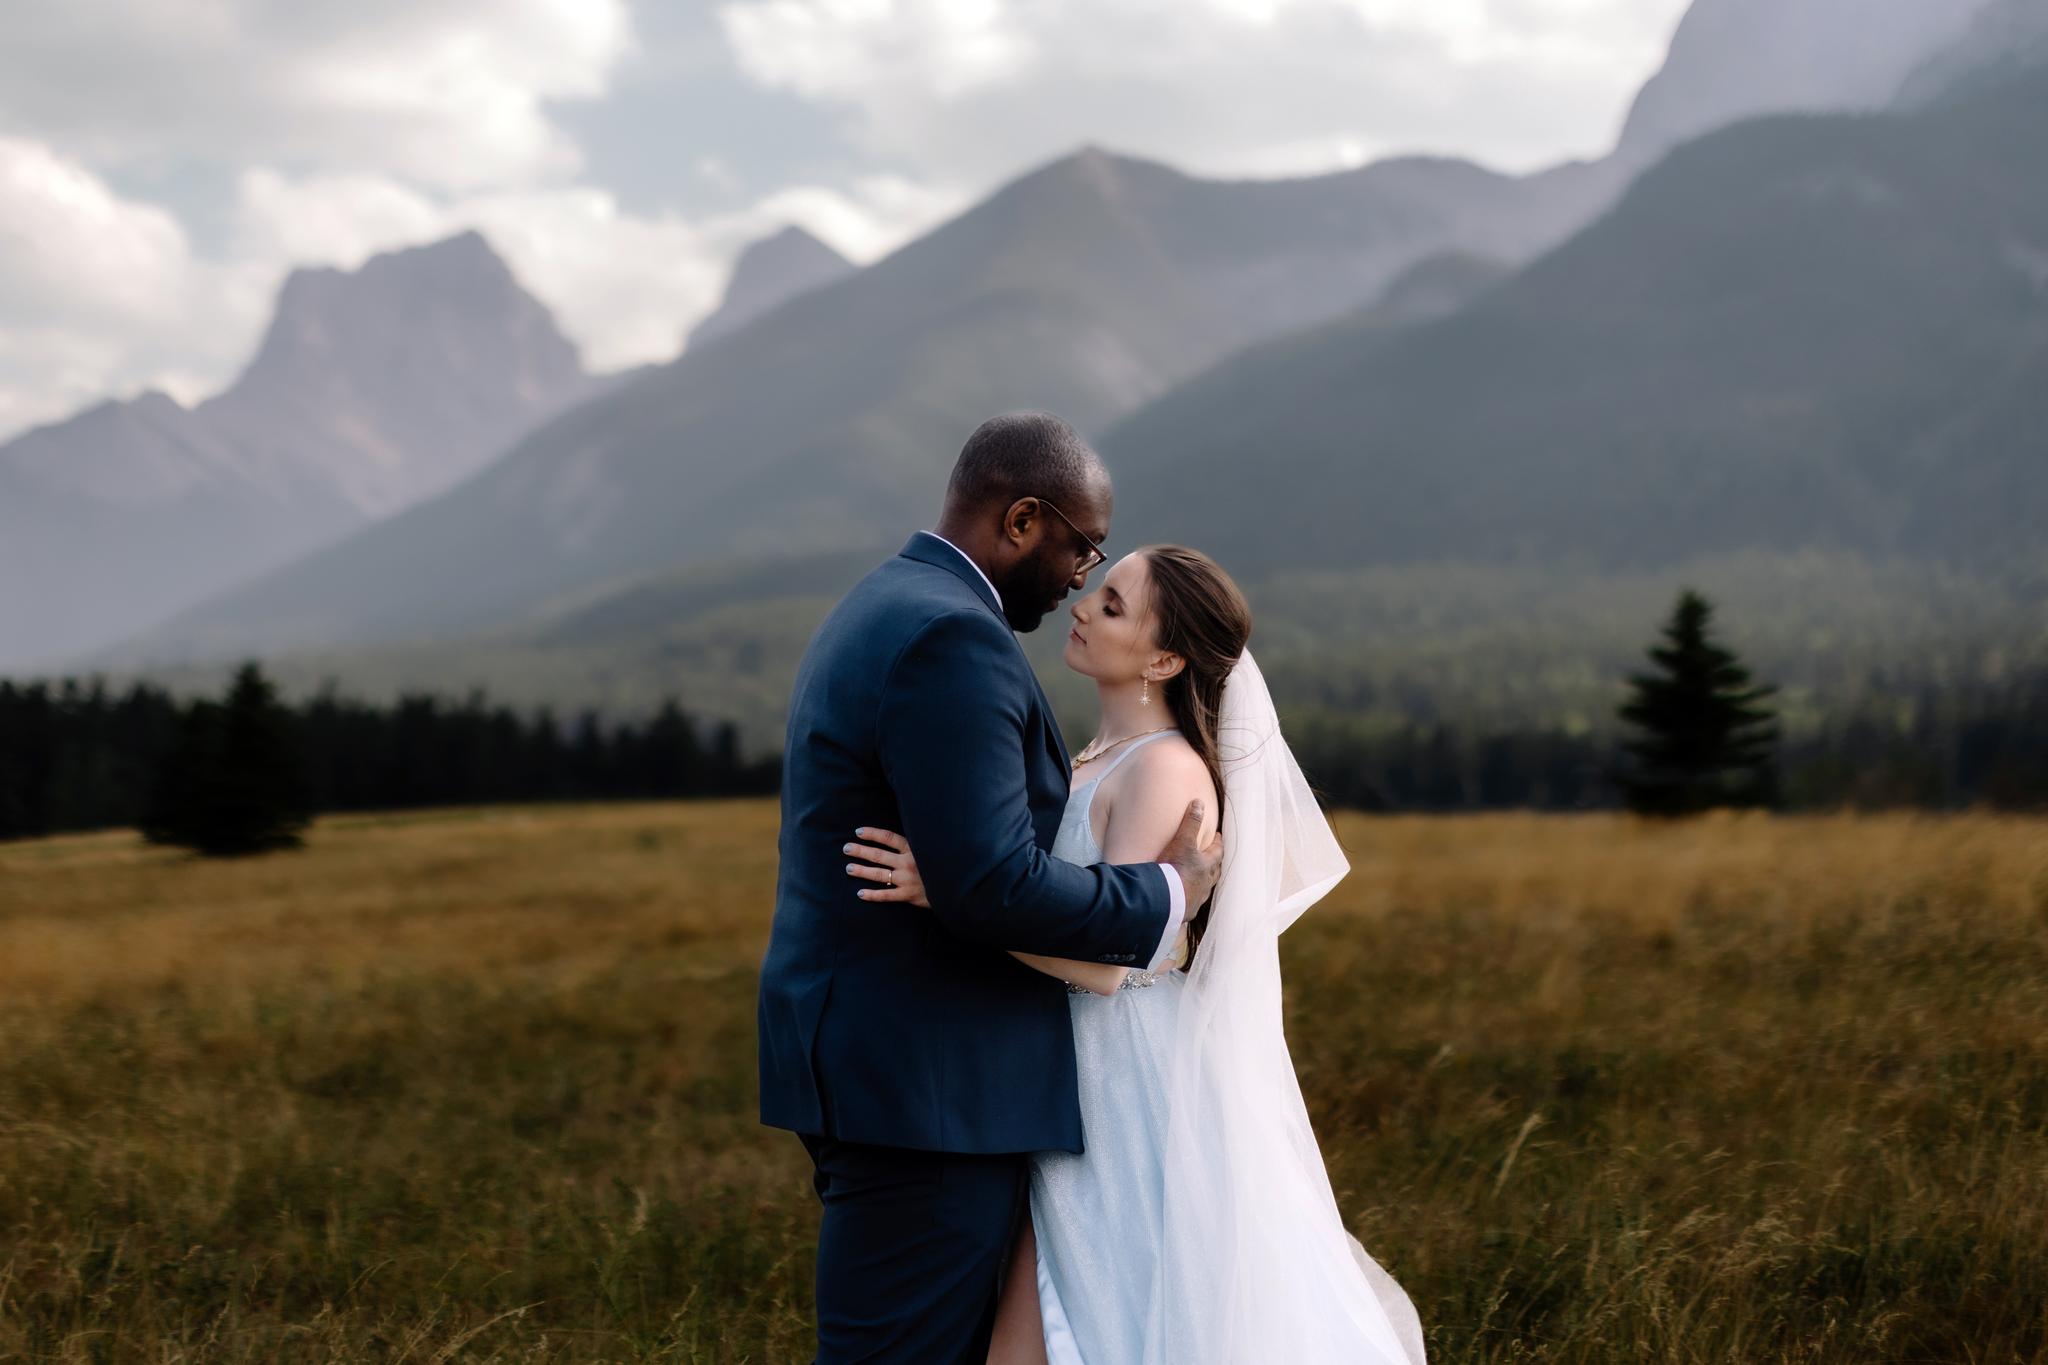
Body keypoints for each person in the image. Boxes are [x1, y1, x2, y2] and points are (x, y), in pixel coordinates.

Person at [846, 544, 1427, 1364]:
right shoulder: (1088, 759)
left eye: (1113, 605)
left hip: (1124, 1084)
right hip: (1067, 1076)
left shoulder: (1163, 769)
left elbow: (1105, 961)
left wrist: (948, 893)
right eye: (1098, 590)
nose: (1083, 605)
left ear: (1163, 657)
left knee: (1114, 1322)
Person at [756, 412, 1226, 1363]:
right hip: (934, 1089)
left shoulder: (885, 598)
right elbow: (989, 884)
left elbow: (971, 878)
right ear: (1021, 520)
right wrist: (1166, 893)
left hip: (886, 1070)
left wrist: (964, 882)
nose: (1080, 579)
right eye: (1081, 547)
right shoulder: (952, 639)